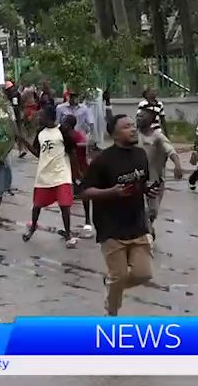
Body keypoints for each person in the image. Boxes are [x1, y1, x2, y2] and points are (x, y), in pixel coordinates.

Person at [81, 114, 161, 316]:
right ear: (115, 133)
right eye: (127, 127)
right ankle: (112, 316)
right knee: (119, 276)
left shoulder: (141, 154)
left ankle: (112, 284)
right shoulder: (102, 161)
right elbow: (83, 192)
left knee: (144, 274)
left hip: (137, 225)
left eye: (133, 126)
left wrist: (147, 190)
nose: (133, 129)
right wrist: (111, 192)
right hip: (111, 229)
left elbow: (140, 184)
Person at [20, 106, 80, 248]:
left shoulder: (62, 132)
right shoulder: (40, 133)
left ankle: (68, 235)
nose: (39, 118)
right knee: (37, 206)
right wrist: (25, 142)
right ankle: (33, 227)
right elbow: (38, 153)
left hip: (61, 174)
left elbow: (72, 153)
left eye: (42, 115)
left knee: (65, 206)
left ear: (50, 117)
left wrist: (76, 176)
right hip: (44, 175)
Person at [136, 106, 183, 238]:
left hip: (154, 179)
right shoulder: (133, 134)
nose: (139, 118)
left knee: (153, 210)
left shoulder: (157, 137)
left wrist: (177, 165)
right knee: (139, 207)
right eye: (138, 116)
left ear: (151, 119)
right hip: (136, 178)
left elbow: (170, 150)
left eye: (142, 116)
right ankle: (145, 230)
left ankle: (147, 224)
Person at [61, 115, 93, 235]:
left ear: (69, 124)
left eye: (64, 123)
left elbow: (84, 146)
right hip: (69, 168)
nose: (63, 125)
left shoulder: (76, 135)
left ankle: (87, 221)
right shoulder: (65, 136)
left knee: (83, 194)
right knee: (69, 196)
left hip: (80, 168)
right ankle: (69, 226)